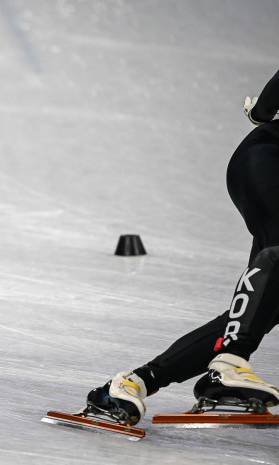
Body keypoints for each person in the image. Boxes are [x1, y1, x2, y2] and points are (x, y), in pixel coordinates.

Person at [87, 68, 279, 426]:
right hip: (270, 159)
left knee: (258, 311)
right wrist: (263, 111)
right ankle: (229, 366)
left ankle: (133, 384)